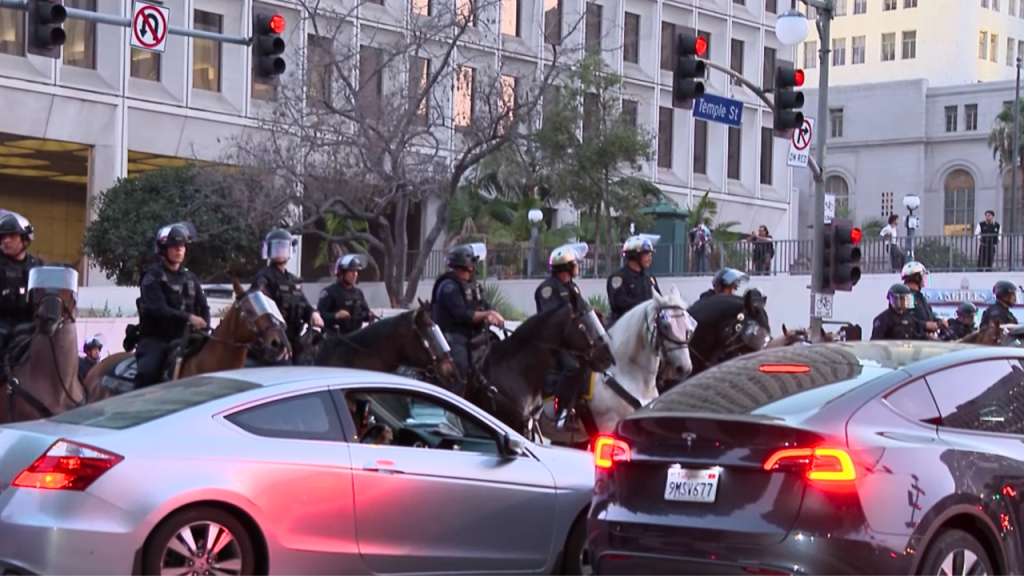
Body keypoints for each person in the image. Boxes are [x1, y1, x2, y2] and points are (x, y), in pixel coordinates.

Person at [135, 223, 211, 388]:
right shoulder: (152, 277)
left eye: (182, 246)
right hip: (157, 339)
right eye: (174, 246)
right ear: (163, 250)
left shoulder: (190, 277)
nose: (179, 250)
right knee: (148, 372)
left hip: (188, 338)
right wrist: (189, 317)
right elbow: (158, 309)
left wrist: (206, 329)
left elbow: (204, 306)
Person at [431, 243, 504, 395]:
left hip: (473, 334)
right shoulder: (448, 287)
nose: (472, 270)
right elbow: (463, 315)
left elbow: (485, 304)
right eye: (470, 267)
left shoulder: (472, 285)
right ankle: (455, 400)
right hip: (452, 336)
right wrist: (486, 314)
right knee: (461, 366)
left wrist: (493, 313)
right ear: (463, 267)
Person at [535, 243, 588, 428]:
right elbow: (552, 319)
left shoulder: (572, 287)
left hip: (572, 340)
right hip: (555, 343)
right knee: (572, 367)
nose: (577, 266)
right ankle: (561, 411)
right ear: (566, 267)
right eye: (574, 264)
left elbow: (583, 310)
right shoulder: (547, 289)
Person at [251, 229, 323, 363]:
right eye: (276, 247)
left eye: (283, 247)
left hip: (295, 340)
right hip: (273, 342)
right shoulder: (264, 277)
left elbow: (303, 303)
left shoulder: (293, 280)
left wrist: (313, 313)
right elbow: (260, 311)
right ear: (268, 250)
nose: (280, 251)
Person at [0, 211, 43, 351]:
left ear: (25, 239)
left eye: (12, 236)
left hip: (31, 325)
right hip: (3, 325)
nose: (6, 241)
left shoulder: (37, 266)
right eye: (2, 237)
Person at [607, 235, 661, 324]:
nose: (650, 258)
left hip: (648, 323)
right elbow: (617, 303)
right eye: (646, 254)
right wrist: (646, 307)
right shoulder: (619, 277)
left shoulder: (649, 278)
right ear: (635, 256)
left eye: (650, 254)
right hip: (624, 324)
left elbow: (658, 299)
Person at [318, 254, 372, 335]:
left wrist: (370, 315)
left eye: (356, 271)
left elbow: (365, 313)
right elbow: (320, 315)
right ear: (341, 273)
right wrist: (336, 316)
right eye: (351, 271)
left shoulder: (358, 293)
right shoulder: (329, 292)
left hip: (356, 337)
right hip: (335, 337)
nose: (355, 274)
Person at [901, 262, 943, 339]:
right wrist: (925, 325)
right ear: (917, 277)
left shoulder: (920, 297)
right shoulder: (908, 297)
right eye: (923, 276)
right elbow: (906, 319)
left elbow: (927, 315)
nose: (924, 280)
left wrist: (939, 321)